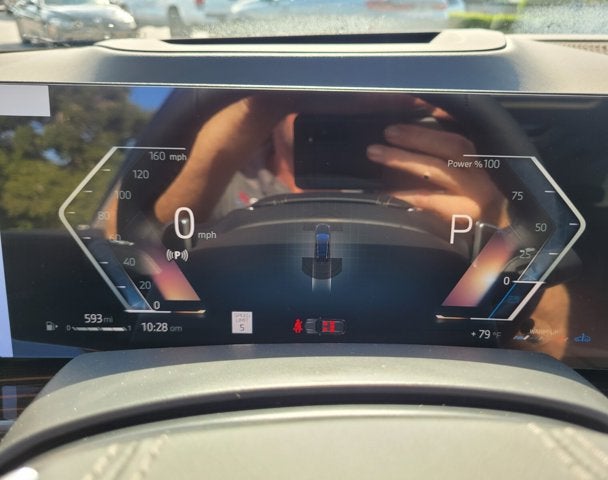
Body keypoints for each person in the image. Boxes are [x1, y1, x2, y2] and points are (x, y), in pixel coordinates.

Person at [153, 92, 570, 359]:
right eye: (327, 94)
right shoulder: (219, 183)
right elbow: (134, 256)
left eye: (396, 110)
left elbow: (549, 346)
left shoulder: (468, 194)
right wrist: (258, 101)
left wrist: (497, 229)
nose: (354, 107)